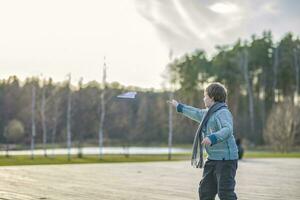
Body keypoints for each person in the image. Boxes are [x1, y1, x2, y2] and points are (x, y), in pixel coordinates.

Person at [167, 82, 238, 200]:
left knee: (225, 193)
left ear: (212, 98)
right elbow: (195, 112)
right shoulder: (207, 113)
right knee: (205, 191)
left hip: (226, 161)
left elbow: (227, 129)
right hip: (212, 159)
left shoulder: (223, 112)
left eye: (205, 96)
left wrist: (212, 137)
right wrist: (179, 106)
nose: (203, 98)